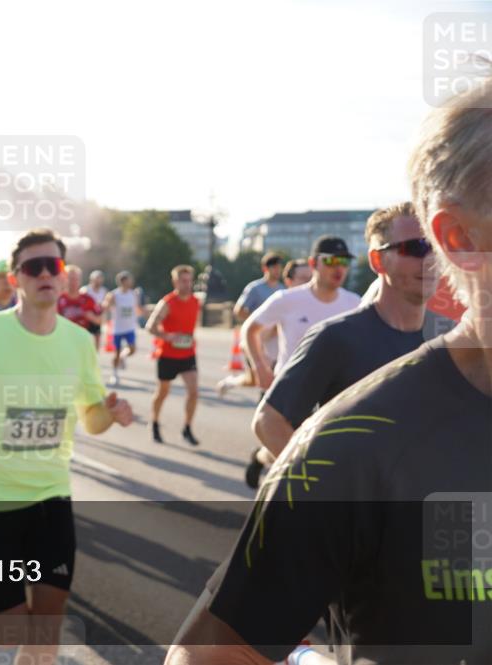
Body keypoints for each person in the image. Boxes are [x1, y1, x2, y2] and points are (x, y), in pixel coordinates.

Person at [166, 76, 492, 665]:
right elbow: (209, 656)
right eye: (407, 251)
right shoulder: (350, 438)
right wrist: (331, 505)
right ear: (460, 238)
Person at [0, 228, 132, 663]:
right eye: (33, 266)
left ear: (63, 276)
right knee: (10, 633)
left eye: (52, 265)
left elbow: (92, 418)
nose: (44, 273)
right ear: (16, 278)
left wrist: (110, 415)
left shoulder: (79, 342)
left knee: (45, 633)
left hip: (50, 496)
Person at [248, 203, 434, 486]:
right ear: (378, 261)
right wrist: (321, 488)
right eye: (417, 248)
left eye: (437, 245)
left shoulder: (453, 338)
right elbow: (268, 421)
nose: (431, 259)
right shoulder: (336, 336)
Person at [239, 237, 362, 488]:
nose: (338, 268)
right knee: (289, 460)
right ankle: (268, 472)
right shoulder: (288, 300)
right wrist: (260, 367)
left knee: (316, 456)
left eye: (344, 262)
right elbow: (250, 329)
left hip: (333, 395)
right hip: (292, 391)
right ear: (313, 263)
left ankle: (261, 457)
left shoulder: (355, 304)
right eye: (330, 261)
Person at [145, 265, 202, 445]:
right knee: (163, 392)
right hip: (168, 355)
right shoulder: (167, 303)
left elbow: (192, 324)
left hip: (187, 354)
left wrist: (190, 338)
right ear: (175, 282)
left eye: (189, 280)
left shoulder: (195, 301)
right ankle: (154, 422)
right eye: (183, 281)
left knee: (193, 392)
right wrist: (167, 336)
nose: (187, 284)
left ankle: (187, 428)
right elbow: (150, 326)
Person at [216, 253, 285, 397]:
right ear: (265, 268)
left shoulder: (283, 290)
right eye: (274, 267)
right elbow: (239, 310)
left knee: (268, 379)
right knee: (254, 380)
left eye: (279, 267)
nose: (277, 271)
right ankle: (230, 382)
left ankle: (266, 406)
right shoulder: (255, 288)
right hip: (256, 339)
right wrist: (259, 323)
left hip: (275, 340)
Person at [102, 271, 142, 386]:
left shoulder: (133, 294)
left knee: (133, 349)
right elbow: (106, 305)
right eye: (128, 280)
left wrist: (142, 313)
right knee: (116, 353)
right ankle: (114, 374)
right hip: (117, 328)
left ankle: (123, 357)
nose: (130, 282)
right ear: (122, 281)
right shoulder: (114, 294)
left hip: (130, 327)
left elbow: (137, 308)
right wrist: (106, 305)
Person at [57, 264, 102, 333]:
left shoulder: (88, 299)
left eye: (76, 279)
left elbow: (100, 320)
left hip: (83, 337)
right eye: (70, 279)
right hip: (64, 337)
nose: (73, 282)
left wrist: (91, 317)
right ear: (64, 280)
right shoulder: (58, 299)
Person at [81, 269, 108, 349]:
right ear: (92, 279)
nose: (98, 281)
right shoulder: (85, 290)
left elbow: (106, 304)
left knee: (97, 337)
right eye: (96, 279)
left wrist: (103, 307)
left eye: (100, 279)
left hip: (98, 317)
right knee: (84, 338)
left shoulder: (104, 291)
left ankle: (95, 356)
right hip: (87, 317)